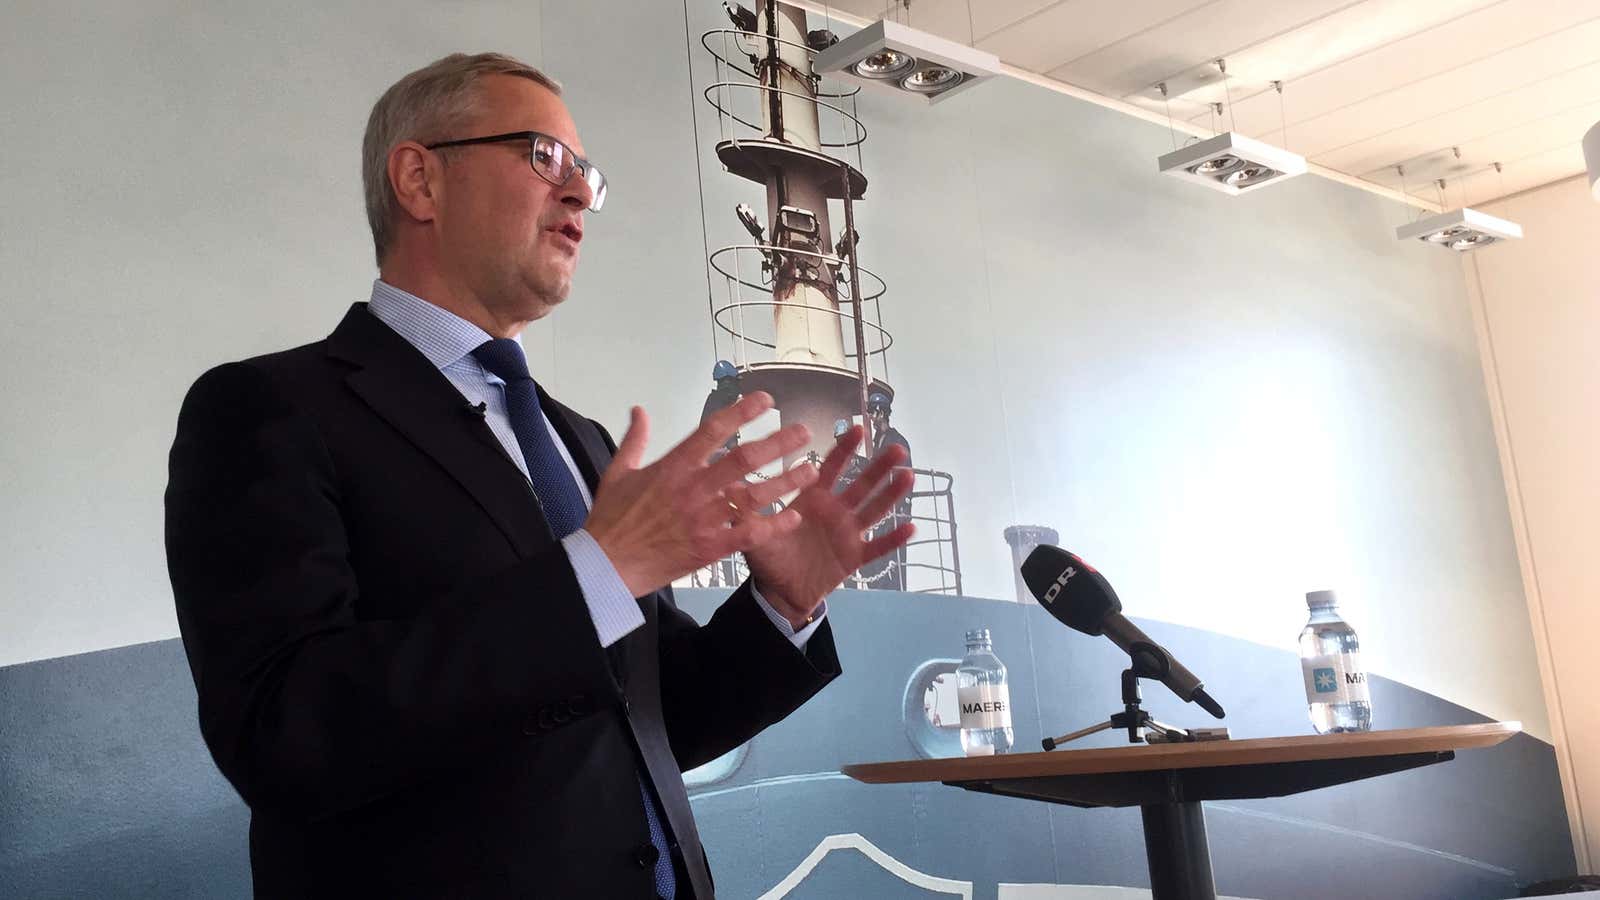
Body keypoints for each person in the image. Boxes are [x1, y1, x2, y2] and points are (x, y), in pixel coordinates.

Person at [163, 52, 913, 899]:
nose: (578, 195)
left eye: (587, 174)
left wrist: (783, 607)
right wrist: (601, 570)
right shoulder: (269, 409)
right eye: (542, 156)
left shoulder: (580, 441)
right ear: (419, 181)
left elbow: (656, 721)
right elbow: (288, 737)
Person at [861, 391, 914, 590]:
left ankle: (893, 592)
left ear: (881, 413)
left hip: (895, 510)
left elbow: (905, 476)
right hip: (881, 510)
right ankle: (879, 590)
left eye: (873, 414)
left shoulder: (897, 442)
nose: (872, 419)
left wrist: (903, 510)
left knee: (894, 560)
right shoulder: (879, 441)